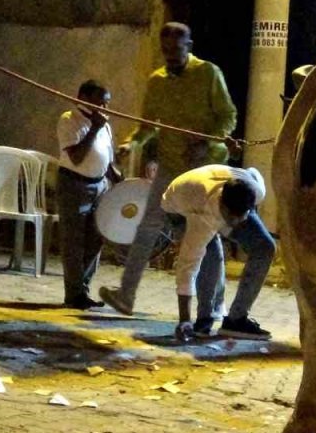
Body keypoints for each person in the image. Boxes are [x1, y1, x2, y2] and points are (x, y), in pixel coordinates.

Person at [100, 22, 238, 315]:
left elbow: (228, 116)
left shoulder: (208, 74)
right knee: (147, 227)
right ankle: (126, 295)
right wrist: (131, 144)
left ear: (189, 45)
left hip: (205, 167)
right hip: (171, 165)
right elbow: (147, 127)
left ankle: (214, 305)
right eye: (166, 51)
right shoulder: (157, 81)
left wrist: (205, 141)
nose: (170, 56)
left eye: (176, 50)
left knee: (207, 235)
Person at [161, 164, 275, 341]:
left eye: (242, 216)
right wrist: (184, 319)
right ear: (223, 206)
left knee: (265, 246)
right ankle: (203, 321)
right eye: (232, 218)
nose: (237, 223)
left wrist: (242, 220)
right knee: (210, 256)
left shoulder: (256, 191)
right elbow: (187, 267)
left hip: (217, 186)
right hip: (178, 205)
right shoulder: (203, 217)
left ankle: (236, 320)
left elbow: (253, 172)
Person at [56, 80, 120, 309]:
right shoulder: (69, 120)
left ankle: (82, 289)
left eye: (107, 102)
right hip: (75, 185)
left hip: (100, 185)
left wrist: (120, 182)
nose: (105, 107)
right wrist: (94, 127)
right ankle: (73, 295)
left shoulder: (105, 125)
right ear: (83, 97)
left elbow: (109, 160)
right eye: (101, 101)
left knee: (96, 238)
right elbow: (76, 157)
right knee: (74, 242)